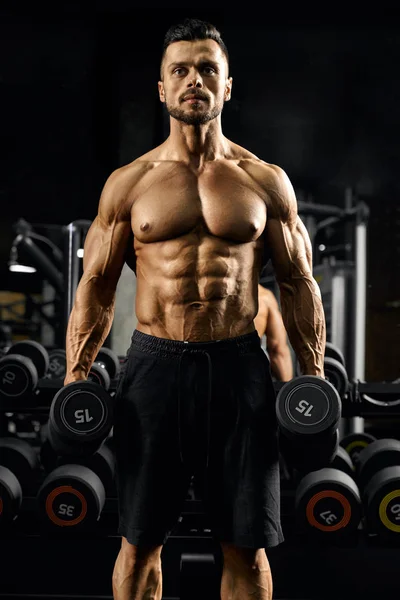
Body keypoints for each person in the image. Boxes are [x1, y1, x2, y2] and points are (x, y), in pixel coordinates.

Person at [64, 17, 326, 600]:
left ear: (228, 85)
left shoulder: (264, 181)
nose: (194, 80)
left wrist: (312, 381)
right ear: (161, 88)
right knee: (137, 545)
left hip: (238, 368)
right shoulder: (129, 184)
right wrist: (75, 379)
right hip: (154, 369)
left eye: (208, 69)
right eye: (179, 70)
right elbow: (96, 286)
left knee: (247, 548)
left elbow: (298, 282)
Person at [255, 284, 294, 381]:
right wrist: (287, 392)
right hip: (243, 377)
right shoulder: (263, 297)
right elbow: (278, 350)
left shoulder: (211, 292)